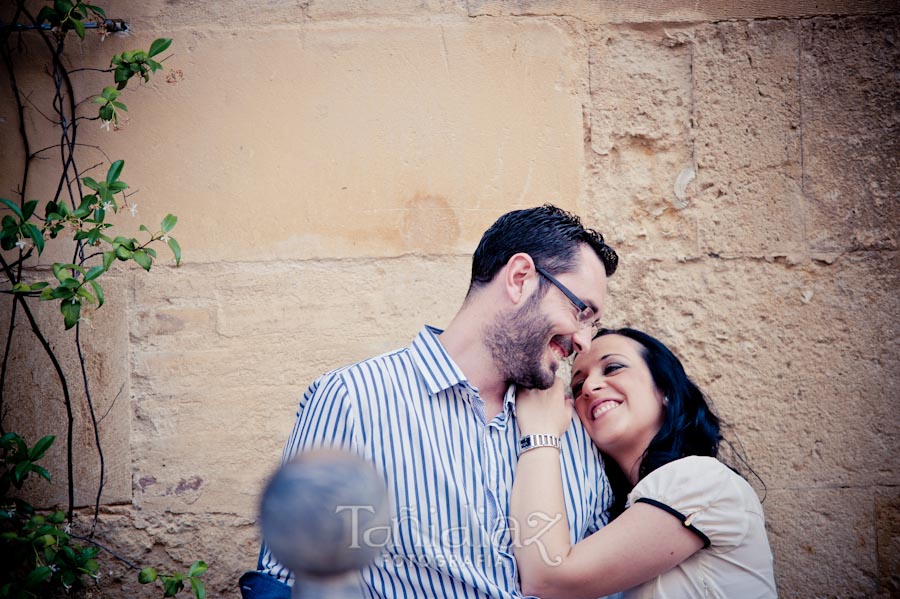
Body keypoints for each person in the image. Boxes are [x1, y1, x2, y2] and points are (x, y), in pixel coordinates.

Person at [240, 205, 620, 599]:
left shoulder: (572, 424)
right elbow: (285, 584)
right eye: (582, 312)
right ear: (520, 278)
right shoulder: (354, 399)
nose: (584, 342)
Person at [510, 327, 777, 599]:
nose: (589, 388)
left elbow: (547, 579)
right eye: (578, 386)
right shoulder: (615, 517)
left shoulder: (700, 479)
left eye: (612, 368)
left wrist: (539, 431)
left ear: (666, 389)